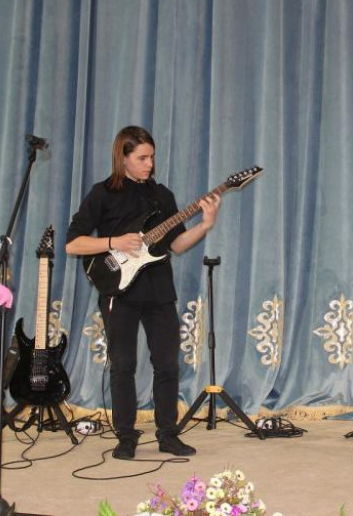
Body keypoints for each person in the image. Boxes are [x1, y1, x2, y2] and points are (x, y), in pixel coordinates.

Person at [66, 125, 220, 460]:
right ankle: (126, 436)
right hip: (118, 292)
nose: (150, 164)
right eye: (142, 158)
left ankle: (168, 434)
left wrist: (206, 224)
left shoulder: (162, 196)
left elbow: (178, 244)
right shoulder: (102, 193)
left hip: (159, 290)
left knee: (167, 365)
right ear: (123, 157)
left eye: (152, 157)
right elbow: (73, 244)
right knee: (123, 365)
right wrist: (114, 242)